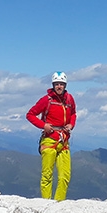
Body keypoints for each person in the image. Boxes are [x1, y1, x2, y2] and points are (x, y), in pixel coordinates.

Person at [27, 71, 76, 201]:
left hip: (64, 141)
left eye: (61, 84)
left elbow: (73, 114)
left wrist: (71, 125)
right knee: (47, 176)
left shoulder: (69, 99)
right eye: (57, 84)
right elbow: (30, 114)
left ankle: (59, 203)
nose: (59, 86)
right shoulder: (46, 100)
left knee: (65, 176)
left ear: (65, 85)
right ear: (53, 85)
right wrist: (43, 126)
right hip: (49, 140)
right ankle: (46, 204)